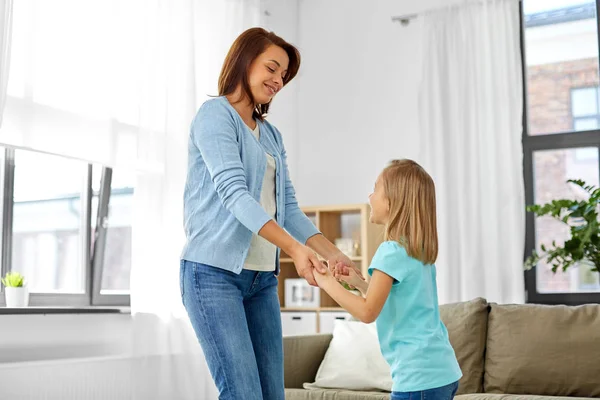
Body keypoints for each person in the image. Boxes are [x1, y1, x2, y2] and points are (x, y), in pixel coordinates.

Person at [179, 27, 360, 400]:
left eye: (283, 75)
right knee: (243, 393)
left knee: (272, 395)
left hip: (260, 281)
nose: (278, 80)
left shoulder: (271, 135)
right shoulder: (215, 116)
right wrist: (296, 251)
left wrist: (334, 255)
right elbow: (235, 194)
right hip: (213, 275)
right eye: (272, 68)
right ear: (244, 61)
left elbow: (288, 207)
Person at [315, 159, 463, 400]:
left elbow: (367, 312)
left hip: (417, 379)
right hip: (441, 371)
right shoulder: (417, 251)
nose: (370, 195)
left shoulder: (390, 251)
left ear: (392, 201)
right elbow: (400, 299)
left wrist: (326, 283)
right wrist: (360, 284)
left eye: (375, 189)